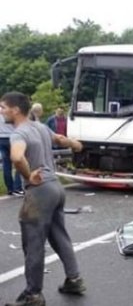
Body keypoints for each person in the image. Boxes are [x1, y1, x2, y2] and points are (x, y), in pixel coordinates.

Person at [1, 92, 86, 306]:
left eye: (3, 107)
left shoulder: (18, 133)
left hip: (40, 192)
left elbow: (16, 157)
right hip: (56, 188)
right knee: (59, 236)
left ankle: (33, 295)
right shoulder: (40, 127)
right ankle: (74, 280)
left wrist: (28, 176)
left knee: (33, 243)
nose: (1, 111)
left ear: (15, 110)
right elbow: (60, 139)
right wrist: (76, 144)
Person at [0, 114, 24, 196]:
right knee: (19, 161)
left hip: (1, 138)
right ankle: (17, 187)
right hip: (13, 136)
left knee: (6, 165)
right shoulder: (10, 108)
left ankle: (10, 188)